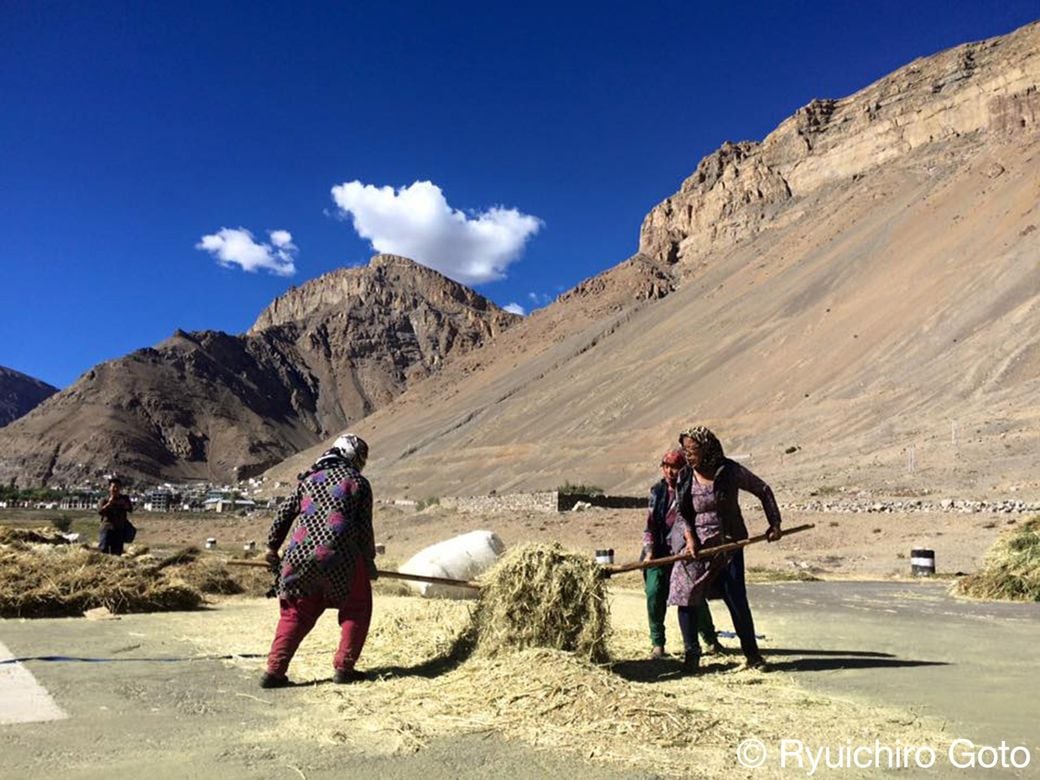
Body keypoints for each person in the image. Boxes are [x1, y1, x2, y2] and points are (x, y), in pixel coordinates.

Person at [261, 433, 376, 689]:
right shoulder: (357, 482)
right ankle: (344, 668)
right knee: (356, 608)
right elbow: (364, 528)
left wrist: (272, 547)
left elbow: (284, 514)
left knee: (295, 613)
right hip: (342, 557)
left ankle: (274, 671)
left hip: (298, 557)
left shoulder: (308, 480)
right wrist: (368, 561)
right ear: (354, 457)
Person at [669, 426, 782, 673]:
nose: (687, 454)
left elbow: (763, 490)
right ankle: (691, 657)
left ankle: (753, 656)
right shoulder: (686, 475)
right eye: (684, 449)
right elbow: (682, 512)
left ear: (707, 448)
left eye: (692, 449)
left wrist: (774, 523)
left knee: (736, 599)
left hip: (728, 543)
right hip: (695, 545)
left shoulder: (729, 470)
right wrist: (690, 539)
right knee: (685, 595)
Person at [643, 450, 725, 660]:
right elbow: (650, 524)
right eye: (667, 466)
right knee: (654, 593)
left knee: (693, 597)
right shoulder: (657, 491)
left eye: (676, 467)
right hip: (659, 552)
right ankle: (658, 644)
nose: (671, 471)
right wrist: (650, 551)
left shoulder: (690, 489)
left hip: (686, 551)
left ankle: (710, 639)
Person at [98, 477, 133, 555]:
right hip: (107, 528)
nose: (115, 489)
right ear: (109, 488)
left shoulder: (125, 498)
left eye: (117, 487)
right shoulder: (104, 499)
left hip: (119, 529)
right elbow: (100, 511)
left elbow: (130, 509)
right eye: (113, 487)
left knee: (117, 552)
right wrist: (109, 504)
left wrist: (123, 504)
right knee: (104, 550)